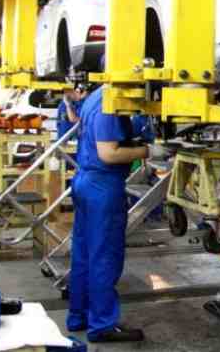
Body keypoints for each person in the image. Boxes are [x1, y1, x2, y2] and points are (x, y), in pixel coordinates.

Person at [66, 85, 161, 342]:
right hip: (102, 186)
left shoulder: (95, 95)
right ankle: (101, 325)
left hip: (85, 180)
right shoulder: (110, 101)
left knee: (84, 254)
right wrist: (149, 151)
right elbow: (108, 153)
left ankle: (78, 316)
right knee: (104, 256)